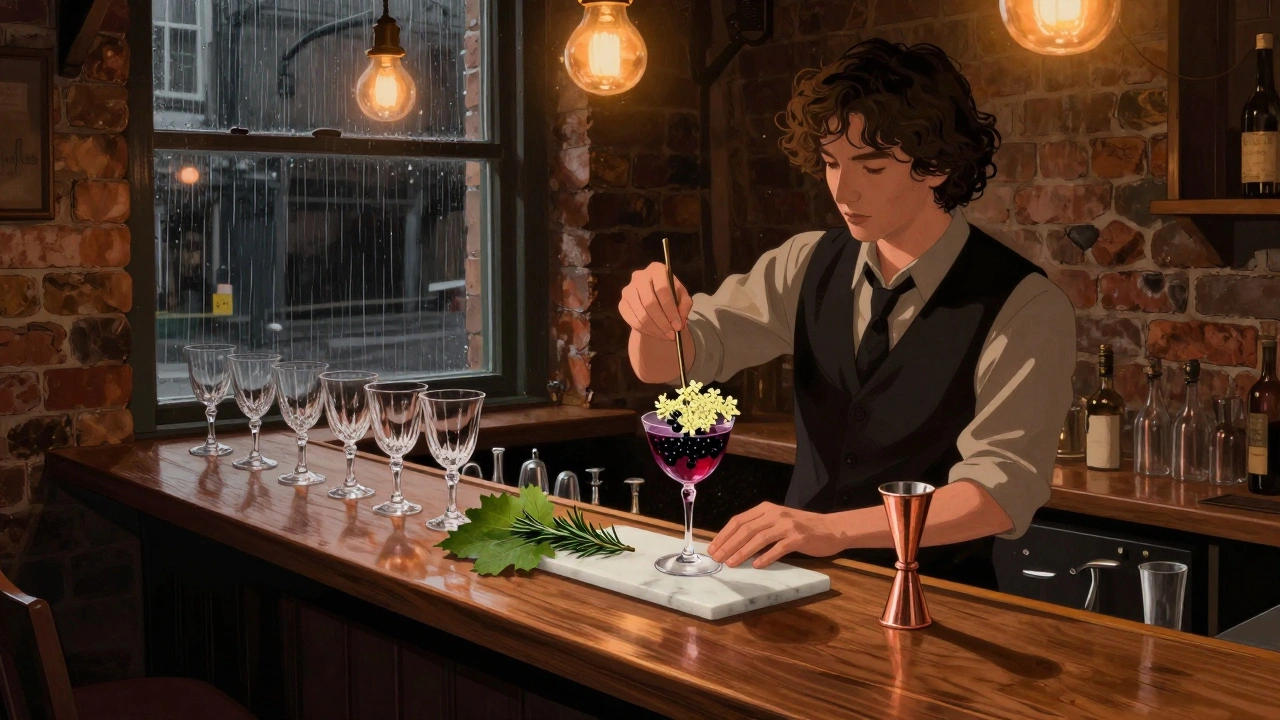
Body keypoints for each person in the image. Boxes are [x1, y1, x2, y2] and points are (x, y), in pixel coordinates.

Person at [618, 39, 1076, 590]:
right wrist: (651, 317)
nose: (842, 188)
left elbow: (998, 498)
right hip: (791, 589)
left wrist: (831, 530)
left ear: (936, 166)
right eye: (832, 163)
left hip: (938, 601)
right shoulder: (805, 262)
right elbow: (672, 364)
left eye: (872, 166)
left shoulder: (1022, 303)